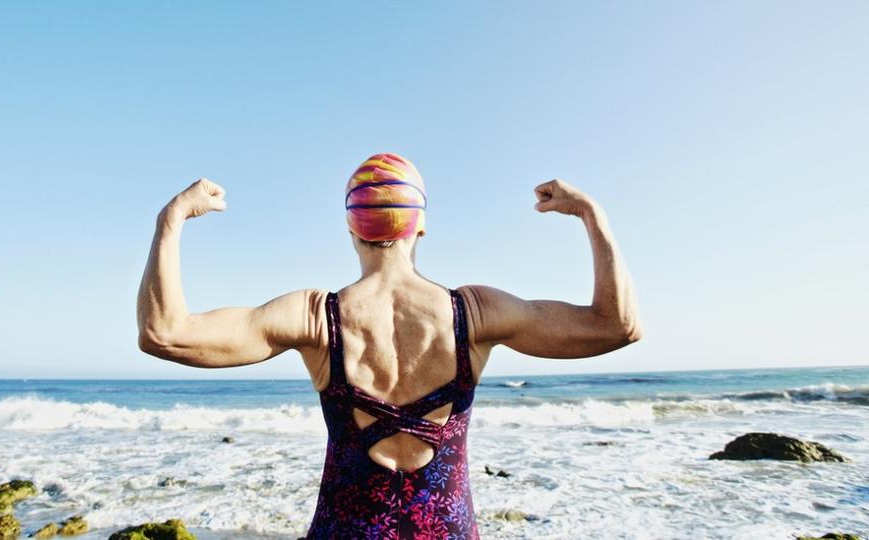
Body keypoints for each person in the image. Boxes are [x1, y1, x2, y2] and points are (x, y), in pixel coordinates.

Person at [136, 152, 643, 539]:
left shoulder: (316, 318)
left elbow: (164, 333)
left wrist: (171, 220)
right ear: (420, 223)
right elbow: (616, 325)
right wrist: (591, 215)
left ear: (350, 226)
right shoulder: (477, 312)